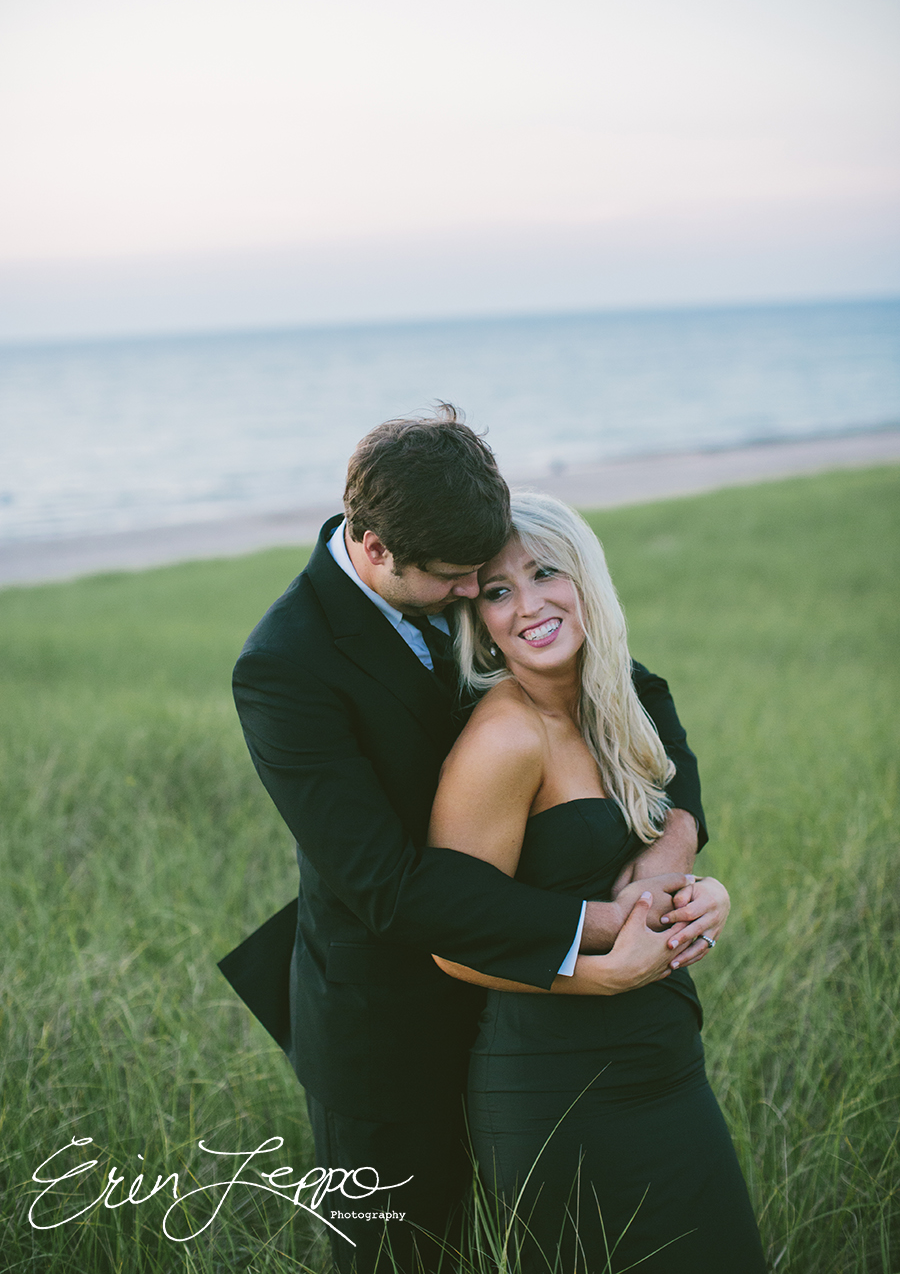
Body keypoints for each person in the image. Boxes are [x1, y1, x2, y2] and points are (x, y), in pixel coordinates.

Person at [220, 407, 710, 1274]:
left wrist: (672, 849)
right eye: (458, 580)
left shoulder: (463, 558)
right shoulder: (283, 666)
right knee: (407, 1259)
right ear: (374, 548)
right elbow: (388, 887)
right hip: (386, 1030)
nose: (475, 596)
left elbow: (630, 690)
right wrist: (606, 924)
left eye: (480, 577)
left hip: (529, 1024)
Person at [428, 491, 766, 1273]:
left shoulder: (617, 700)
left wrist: (697, 897)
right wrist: (605, 978)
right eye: (499, 591)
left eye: (546, 573)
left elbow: (672, 819)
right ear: (478, 620)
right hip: (557, 1094)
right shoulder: (505, 738)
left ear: (586, 577)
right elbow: (450, 944)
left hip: (666, 1068)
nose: (528, 606)